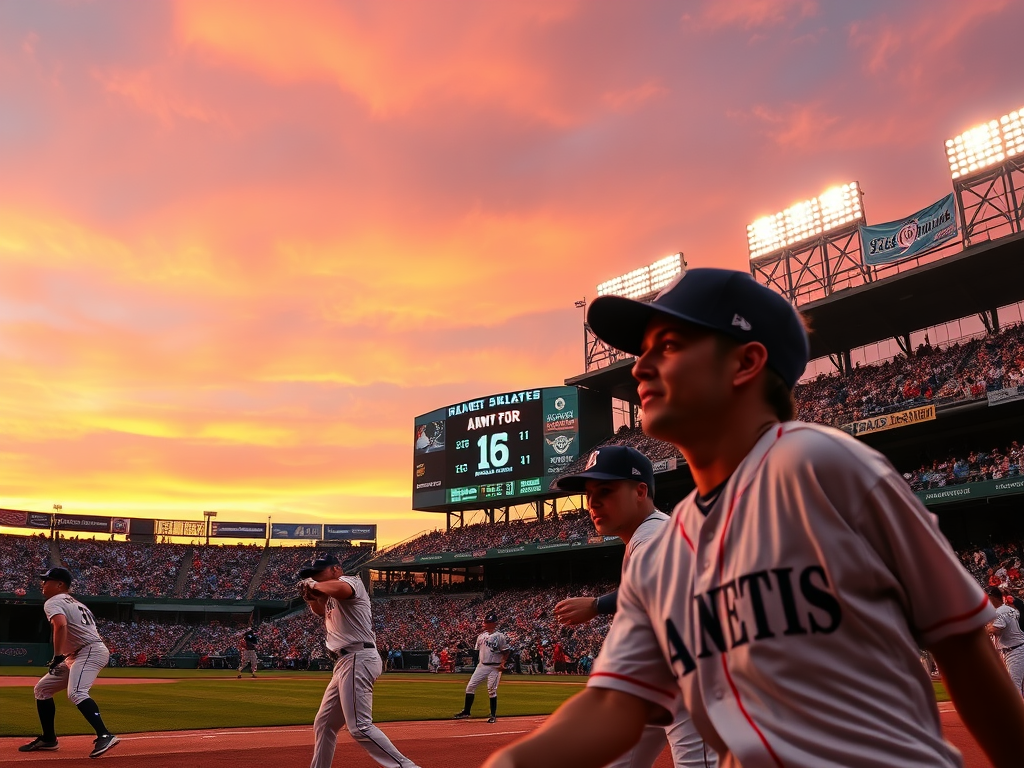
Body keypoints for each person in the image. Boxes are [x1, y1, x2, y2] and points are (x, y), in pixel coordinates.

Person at [484, 267, 1024, 768]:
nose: (640, 366)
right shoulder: (664, 554)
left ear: (745, 362)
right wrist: (509, 762)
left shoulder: (819, 463)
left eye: (668, 346)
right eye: (643, 351)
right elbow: (612, 707)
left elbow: (963, 647)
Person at [553, 445, 712, 768]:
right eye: (589, 493)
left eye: (606, 490)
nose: (593, 503)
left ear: (641, 491)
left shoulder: (654, 532)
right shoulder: (644, 535)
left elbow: (657, 580)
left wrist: (597, 604)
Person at [297, 555, 420, 768]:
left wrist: (315, 584)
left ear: (336, 569)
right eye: (312, 575)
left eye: (320, 573)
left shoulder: (351, 581)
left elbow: (341, 589)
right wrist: (311, 596)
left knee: (360, 727)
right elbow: (319, 610)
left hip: (358, 657)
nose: (315, 577)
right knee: (324, 724)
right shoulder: (329, 596)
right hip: (346, 661)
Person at [19, 567, 120, 758]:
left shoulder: (53, 601)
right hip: (79, 653)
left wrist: (57, 656)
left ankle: (105, 734)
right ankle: (49, 739)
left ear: (60, 584)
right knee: (42, 689)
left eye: (47, 580)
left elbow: (61, 625)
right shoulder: (77, 603)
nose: (43, 584)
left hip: (88, 651)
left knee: (76, 692)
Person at [453, 612, 510, 723]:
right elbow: (476, 652)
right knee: (470, 686)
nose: (486, 624)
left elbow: (506, 651)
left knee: (492, 690)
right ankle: (466, 712)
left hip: (495, 667)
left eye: (489, 622)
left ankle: (493, 715)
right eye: (486, 622)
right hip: (482, 666)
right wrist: (465, 649)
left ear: (494, 623)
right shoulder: (481, 636)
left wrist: (503, 663)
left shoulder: (500, 636)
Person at [987, 586, 1024, 697]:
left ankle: (1017, 714)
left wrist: (987, 628)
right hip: (1016, 648)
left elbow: (997, 629)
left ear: (992, 598)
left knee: (1014, 688)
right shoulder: (1009, 609)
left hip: (1014, 651)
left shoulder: (999, 611)